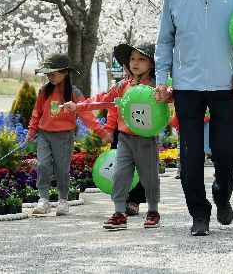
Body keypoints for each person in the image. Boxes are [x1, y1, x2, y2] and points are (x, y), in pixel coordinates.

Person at [153, 0, 233, 237]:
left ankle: (222, 195)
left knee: (226, 151)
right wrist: (162, 78)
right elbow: (165, 40)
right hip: (187, 85)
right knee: (190, 155)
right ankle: (199, 213)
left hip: (225, 84)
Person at [69, 43, 163, 230]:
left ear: (151, 63)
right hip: (125, 139)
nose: (135, 63)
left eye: (141, 59)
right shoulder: (122, 86)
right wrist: (78, 106)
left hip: (147, 139)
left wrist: (167, 95)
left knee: (149, 177)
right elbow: (102, 100)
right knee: (120, 175)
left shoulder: (156, 87)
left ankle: (153, 211)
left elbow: (172, 98)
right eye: (132, 59)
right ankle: (119, 213)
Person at [25, 54, 106, 216]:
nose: (50, 77)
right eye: (48, 74)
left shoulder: (74, 93)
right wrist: (31, 131)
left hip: (64, 137)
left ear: (65, 73)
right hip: (44, 135)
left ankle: (63, 200)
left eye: (53, 73)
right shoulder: (44, 91)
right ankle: (43, 200)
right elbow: (37, 113)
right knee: (42, 166)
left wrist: (101, 132)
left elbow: (86, 114)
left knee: (62, 169)